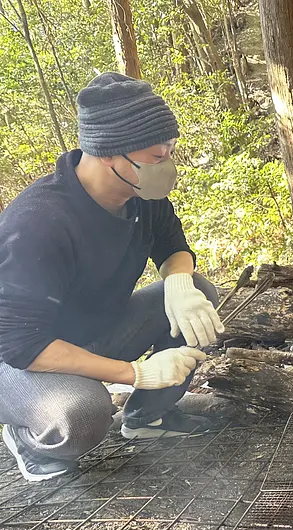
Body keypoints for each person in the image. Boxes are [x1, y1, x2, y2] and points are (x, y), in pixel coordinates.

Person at [0, 73, 224, 483]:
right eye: (158, 155)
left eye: (170, 150)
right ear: (110, 154)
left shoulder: (142, 197)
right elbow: (21, 343)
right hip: (22, 358)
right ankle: (27, 434)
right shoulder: (37, 222)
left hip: (96, 330)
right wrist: (137, 373)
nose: (168, 163)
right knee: (82, 414)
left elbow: (174, 247)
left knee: (198, 292)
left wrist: (178, 283)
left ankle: (146, 418)